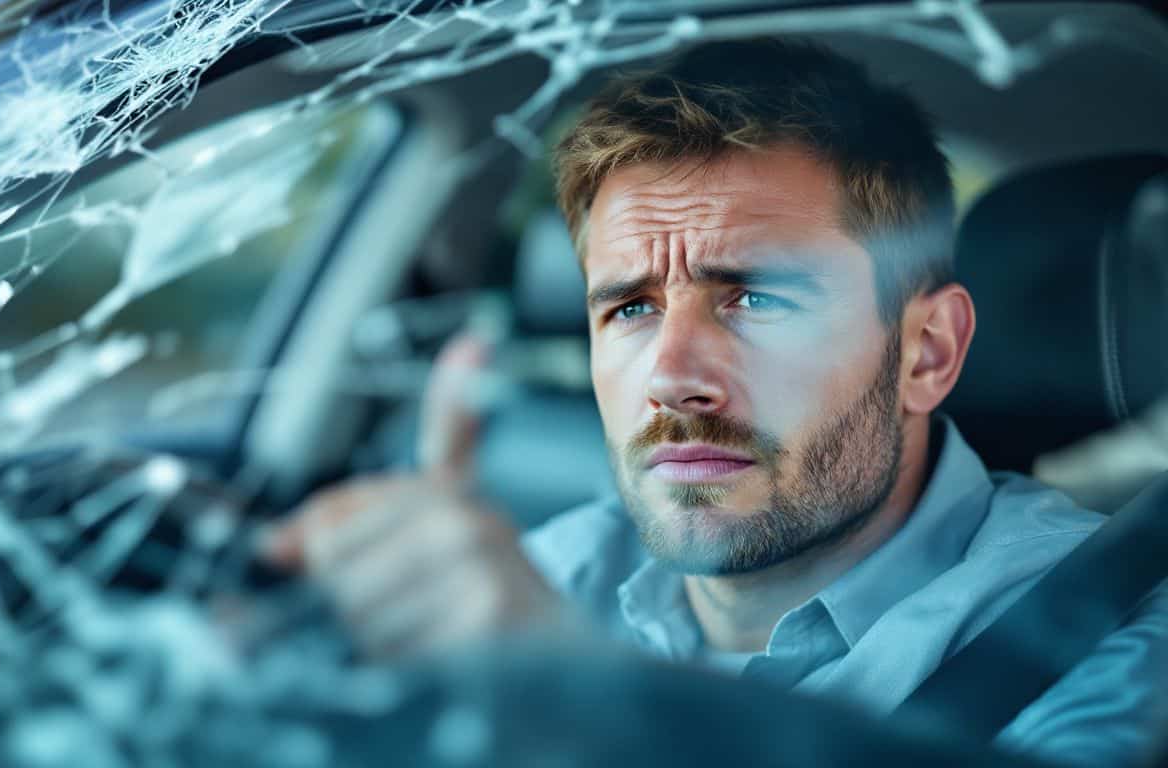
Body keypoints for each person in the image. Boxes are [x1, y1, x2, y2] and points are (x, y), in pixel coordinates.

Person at [264, 39, 1168, 765]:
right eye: (630, 308)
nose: (672, 374)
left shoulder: (1121, 637)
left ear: (925, 353)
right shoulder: (550, 574)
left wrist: (591, 708)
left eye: (757, 299)